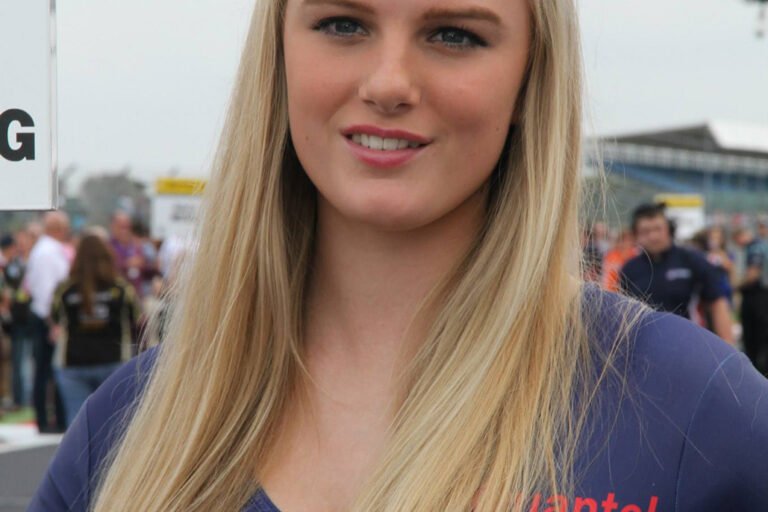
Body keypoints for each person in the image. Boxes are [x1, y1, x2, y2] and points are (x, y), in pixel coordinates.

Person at [32, 1, 768, 511]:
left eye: (453, 34)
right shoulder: (132, 426)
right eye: (342, 22)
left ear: (529, 77)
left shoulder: (690, 412)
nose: (387, 83)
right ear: (279, 52)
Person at [50, 234, 140, 427]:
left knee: (77, 426)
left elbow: (56, 317)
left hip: (73, 363)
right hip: (113, 361)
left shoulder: (65, 290)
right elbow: (137, 317)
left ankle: (80, 458)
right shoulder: (121, 289)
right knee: (114, 424)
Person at [619, 203, 734, 344]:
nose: (653, 236)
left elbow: (717, 304)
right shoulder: (629, 269)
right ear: (636, 235)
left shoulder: (693, 260)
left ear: (669, 229)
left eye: (658, 229)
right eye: (646, 231)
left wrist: (729, 348)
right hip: (645, 349)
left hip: (690, 346)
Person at [25, 212, 70, 433]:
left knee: (47, 371)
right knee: (47, 371)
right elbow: (46, 291)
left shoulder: (47, 250)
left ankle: (50, 418)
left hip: (47, 316)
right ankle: (46, 420)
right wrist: (53, 322)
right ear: (59, 228)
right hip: (47, 318)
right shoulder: (47, 252)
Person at [733, 227, 768, 375]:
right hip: (761, 297)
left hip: (757, 298)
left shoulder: (755, 248)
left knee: (754, 340)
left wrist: (734, 286)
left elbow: (752, 275)